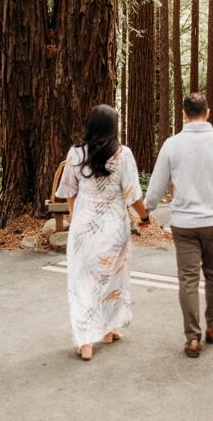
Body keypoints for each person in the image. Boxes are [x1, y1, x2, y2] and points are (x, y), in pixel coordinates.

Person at [146, 91, 213, 357]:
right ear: (208, 112)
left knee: (188, 280)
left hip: (184, 223)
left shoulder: (172, 144)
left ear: (183, 113)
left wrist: (146, 211)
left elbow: (156, 186)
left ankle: (192, 338)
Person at [55, 103, 153, 360]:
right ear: (113, 128)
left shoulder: (76, 154)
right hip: (113, 229)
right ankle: (106, 330)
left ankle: (91, 338)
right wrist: (144, 217)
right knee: (112, 279)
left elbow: (69, 191)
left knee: (82, 282)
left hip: (83, 228)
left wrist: (76, 217)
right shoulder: (123, 154)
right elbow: (133, 194)